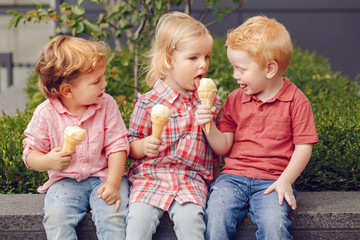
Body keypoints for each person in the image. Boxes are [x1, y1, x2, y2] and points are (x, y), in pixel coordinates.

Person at [196, 15, 319, 239]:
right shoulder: (235, 99)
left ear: (270, 69)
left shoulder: (296, 101)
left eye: (241, 69)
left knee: (275, 225)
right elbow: (223, 146)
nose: (235, 75)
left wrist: (286, 180)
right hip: (232, 178)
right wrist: (207, 124)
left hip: (273, 181)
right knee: (215, 215)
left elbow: (304, 147)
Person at [22, 35, 129, 240]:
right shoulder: (46, 114)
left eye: (103, 77)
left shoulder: (106, 104)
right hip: (65, 181)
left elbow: (118, 146)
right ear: (67, 91)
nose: (104, 84)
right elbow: (29, 154)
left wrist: (113, 184)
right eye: (96, 81)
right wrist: (47, 161)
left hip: (104, 176)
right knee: (56, 218)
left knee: (113, 217)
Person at [125, 11, 220, 240]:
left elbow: (216, 151)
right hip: (150, 178)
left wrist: (209, 122)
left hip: (191, 180)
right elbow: (128, 145)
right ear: (169, 60)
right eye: (193, 58)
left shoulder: (208, 101)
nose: (203, 64)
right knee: (138, 222)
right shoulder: (147, 102)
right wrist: (143, 146)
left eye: (206, 57)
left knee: (192, 223)